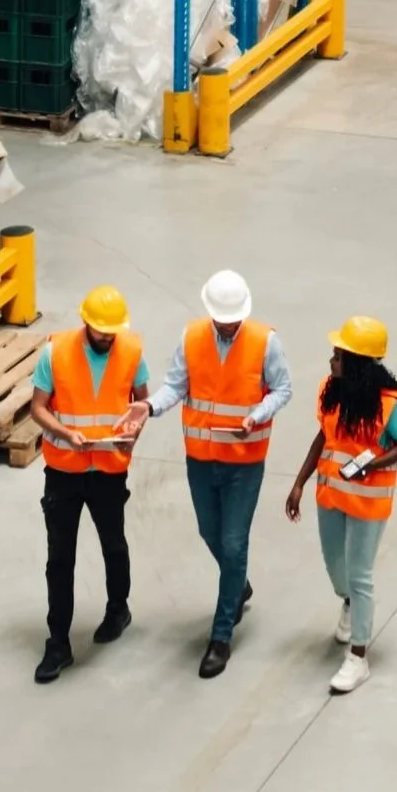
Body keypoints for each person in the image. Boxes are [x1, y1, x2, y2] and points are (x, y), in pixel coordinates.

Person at [143, 269, 292, 679]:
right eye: (221, 318)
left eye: (233, 319)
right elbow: (176, 386)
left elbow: (283, 388)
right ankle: (238, 584)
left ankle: (221, 634)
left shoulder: (265, 342)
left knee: (232, 541)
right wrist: (151, 407)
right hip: (201, 459)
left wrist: (256, 414)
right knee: (210, 533)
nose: (227, 325)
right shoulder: (191, 338)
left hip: (244, 462)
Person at [27, 284, 150, 685]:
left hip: (109, 469)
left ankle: (119, 609)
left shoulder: (131, 351)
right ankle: (58, 642)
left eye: (112, 332)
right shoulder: (55, 352)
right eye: (101, 332)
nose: (107, 338)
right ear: (86, 323)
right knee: (60, 558)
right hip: (64, 470)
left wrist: (133, 431)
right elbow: (37, 408)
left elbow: (141, 402)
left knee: (114, 544)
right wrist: (64, 432)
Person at [283, 316, 397, 697]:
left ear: (356, 362)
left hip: (369, 503)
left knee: (359, 573)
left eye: (338, 356)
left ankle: (358, 657)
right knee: (336, 569)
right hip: (331, 496)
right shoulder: (331, 390)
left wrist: (371, 464)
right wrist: (299, 482)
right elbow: (324, 436)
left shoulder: (392, 404)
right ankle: (349, 603)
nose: (331, 361)